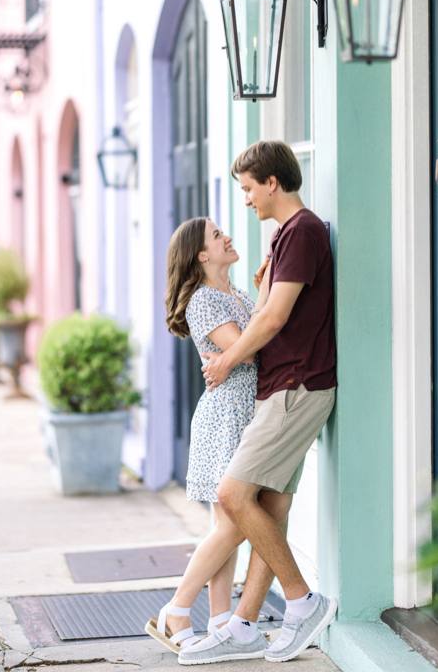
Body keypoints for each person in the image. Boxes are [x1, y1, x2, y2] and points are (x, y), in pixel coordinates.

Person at [178, 141, 338, 666]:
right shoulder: (286, 237)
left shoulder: (302, 231)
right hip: (281, 386)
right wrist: (265, 285)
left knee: (232, 496)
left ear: (272, 182)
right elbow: (271, 310)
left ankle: (301, 600)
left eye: (248, 187)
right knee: (269, 507)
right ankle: (243, 625)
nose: (245, 199)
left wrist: (225, 363)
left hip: (296, 385)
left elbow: (269, 322)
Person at [146, 217, 266, 654]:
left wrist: (266, 293)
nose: (227, 237)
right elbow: (249, 347)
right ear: (201, 255)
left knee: (227, 523)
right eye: (217, 236)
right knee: (235, 522)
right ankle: (177, 607)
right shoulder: (203, 301)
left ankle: (219, 620)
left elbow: (254, 336)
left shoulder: (236, 293)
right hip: (228, 414)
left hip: (243, 411)